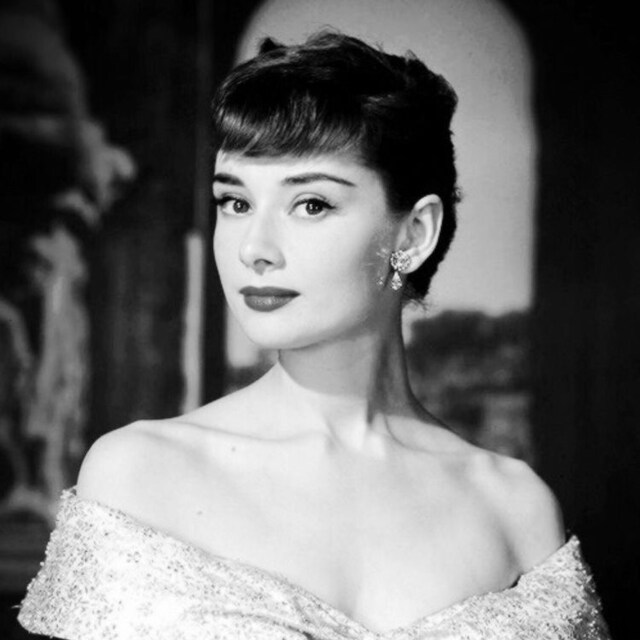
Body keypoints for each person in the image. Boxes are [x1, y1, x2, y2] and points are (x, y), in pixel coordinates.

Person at [18, 32, 610, 639]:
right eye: (235, 203)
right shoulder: (137, 475)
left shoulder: (515, 509)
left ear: (413, 235)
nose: (255, 249)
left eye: (311, 205)